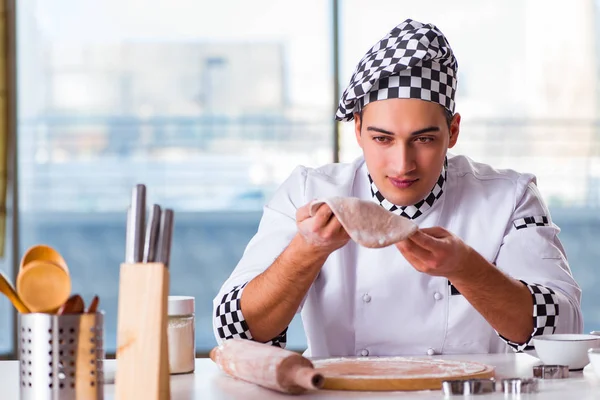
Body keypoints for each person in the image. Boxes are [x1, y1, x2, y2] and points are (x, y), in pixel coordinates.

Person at [212, 19, 583, 357]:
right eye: (382, 139)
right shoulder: (309, 191)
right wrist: (306, 250)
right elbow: (233, 333)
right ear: (357, 129)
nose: (402, 164)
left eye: (423, 139)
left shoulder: (510, 198)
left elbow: (563, 329)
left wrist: (467, 269)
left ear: (452, 131)